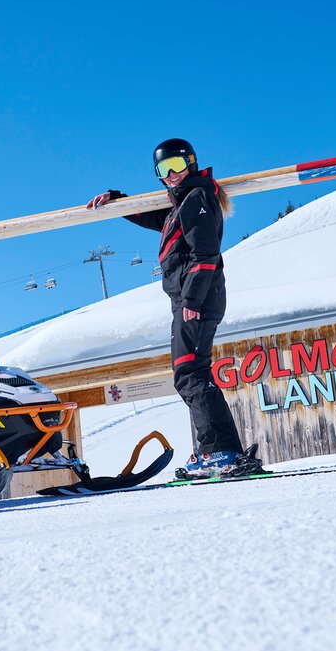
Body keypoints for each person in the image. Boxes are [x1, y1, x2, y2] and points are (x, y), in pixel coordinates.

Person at [87, 138, 261, 479]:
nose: (172, 175)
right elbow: (153, 216)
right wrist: (117, 201)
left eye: (177, 166)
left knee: (190, 373)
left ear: (192, 164)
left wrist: (193, 302)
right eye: (164, 170)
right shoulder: (181, 204)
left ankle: (220, 452)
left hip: (197, 298)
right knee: (191, 374)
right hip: (188, 299)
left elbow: (205, 254)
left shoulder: (196, 197)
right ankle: (218, 450)